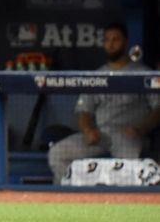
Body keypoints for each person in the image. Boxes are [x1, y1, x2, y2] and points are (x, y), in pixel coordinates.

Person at [48, 23, 160, 184]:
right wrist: (88, 130)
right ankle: (74, 198)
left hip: (129, 135)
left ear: (125, 42)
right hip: (101, 134)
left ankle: (125, 203)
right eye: (107, 40)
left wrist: (141, 128)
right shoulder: (97, 75)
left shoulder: (143, 73)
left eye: (116, 39)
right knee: (57, 154)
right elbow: (83, 110)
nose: (111, 44)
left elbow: (158, 109)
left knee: (127, 165)